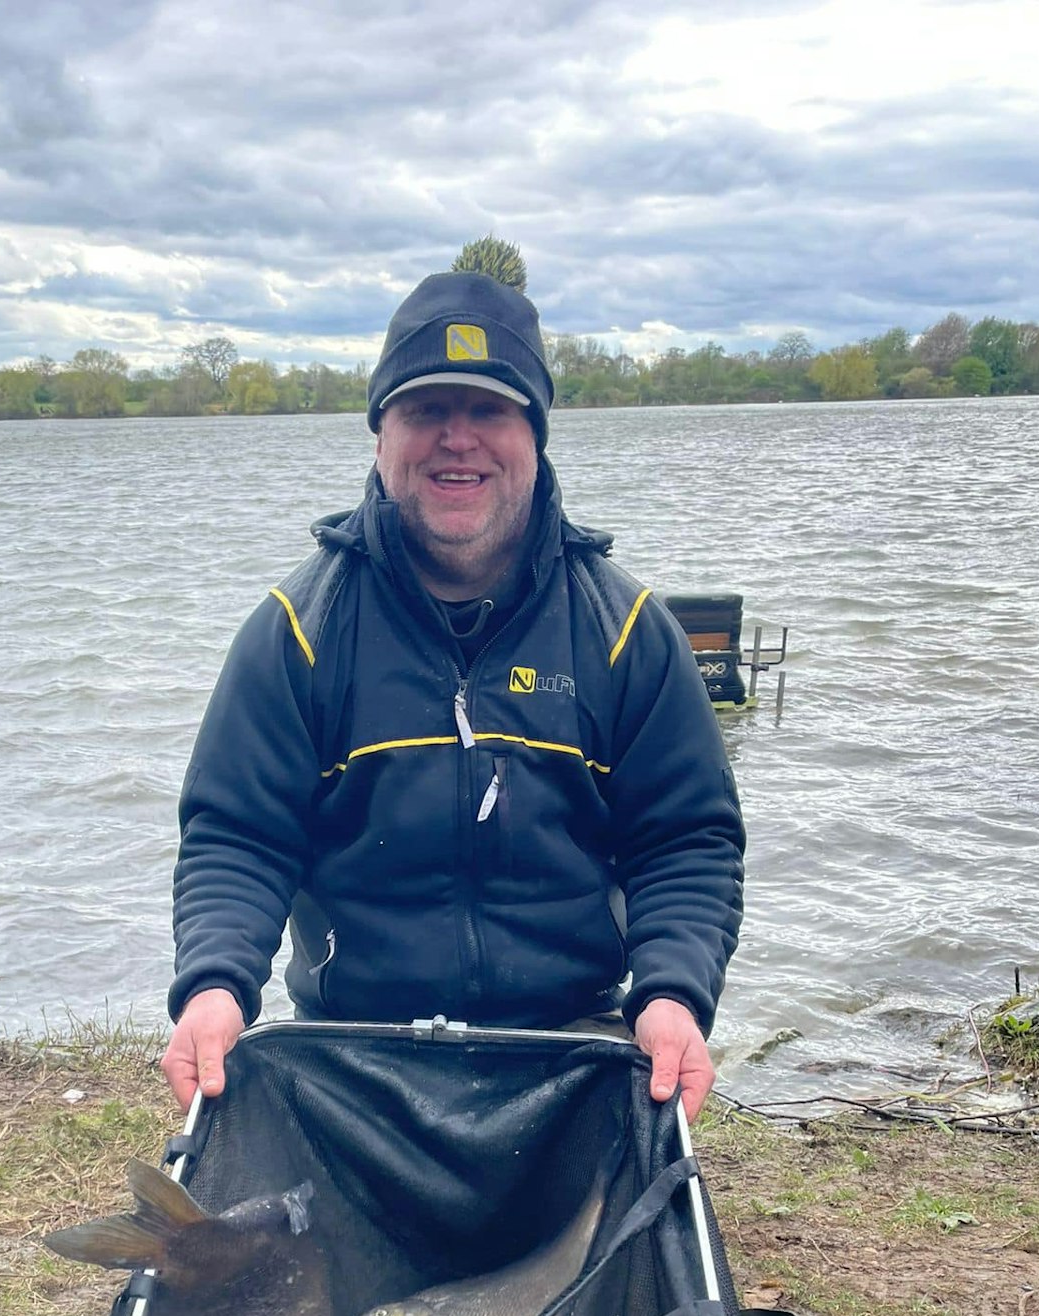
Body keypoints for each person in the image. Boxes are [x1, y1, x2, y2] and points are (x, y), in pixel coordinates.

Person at [161, 268, 744, 1121]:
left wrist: (671, 997)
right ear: (380, 438)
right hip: (350, 1043)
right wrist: (215, 987)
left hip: (571, 1041)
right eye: (426, 410)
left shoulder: (626, 630)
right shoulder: (296, 629)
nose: (457, 439)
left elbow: (686, 842)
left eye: (490, 410)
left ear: (535, 436)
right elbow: (238, 837)